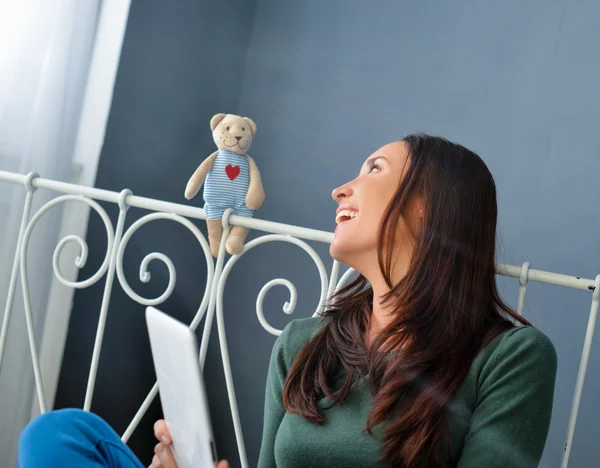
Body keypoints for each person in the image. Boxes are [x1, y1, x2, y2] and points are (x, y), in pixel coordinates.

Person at [18, 134, 557, 468]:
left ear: (426, 209)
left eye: (372, 169)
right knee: (61, 434)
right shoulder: (304, 341)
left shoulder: (510, 358)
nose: (340, 190)